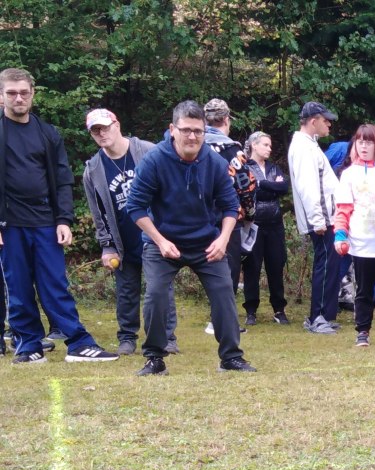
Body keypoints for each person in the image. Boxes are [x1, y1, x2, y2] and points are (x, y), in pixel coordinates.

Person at [126, 99, 255, 375]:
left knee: (224, 294)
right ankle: (154, 359)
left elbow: (231, 206)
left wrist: (222, 240)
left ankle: (231, 358)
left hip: (206, 242)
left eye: (198, 130)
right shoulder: (154, 160)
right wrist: (160, 240)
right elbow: (135, 207)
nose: (192, 136)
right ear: (173, 129)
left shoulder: (215, 163)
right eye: (186, 130)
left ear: (205, 131)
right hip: (162, 242)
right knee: (156, 294)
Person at [0, 67, 117, 364]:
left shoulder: (47, 134)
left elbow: (63, 179)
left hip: (45, 222)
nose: (18, 98)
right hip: (10, 223)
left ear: (32, 95)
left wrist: (63, 219)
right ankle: (29, 345)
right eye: (12, 93)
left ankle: (78, 342)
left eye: (24, 93)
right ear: (1, 96)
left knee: (54, 284)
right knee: (18, 287)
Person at [82, 108, 180, 356]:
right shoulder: (93, 169)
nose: (101, 133)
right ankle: (127, 338)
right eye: (95, 130)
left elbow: (169, 189)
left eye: (105, 127)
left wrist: (169, 230)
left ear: (117, 124)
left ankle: (166, 337)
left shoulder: (147, 151)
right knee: (126, 293)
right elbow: (98, 212)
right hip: (122, 240)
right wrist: (107, 244)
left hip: (154, 236)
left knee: (160, 289)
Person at [333, 123, 375, 347]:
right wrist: (340, 234)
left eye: (369, 142)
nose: (364, 146)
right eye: (360, 141)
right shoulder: (348, 174)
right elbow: (343, 209)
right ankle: (362, 332)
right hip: (361, 242)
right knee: (364, 290)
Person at [288, 101, 342, 334]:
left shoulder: (310, 145)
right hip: (322, 219)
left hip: (327, 216)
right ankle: (317, 316)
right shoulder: (303, 147)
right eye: (325, 119)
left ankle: (325, 315)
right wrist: (318, 220)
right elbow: (308, 187)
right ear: (313, 121)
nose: (329, 123)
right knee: (325, 264)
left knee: (331, 265)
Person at [241, 131, 290, 325]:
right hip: (254, 224)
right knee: (252, 267)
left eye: (270, 145)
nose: (269, 149)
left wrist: (262, 184)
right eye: (265, 145)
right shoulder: (245, 167)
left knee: (276, 266)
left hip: (275, 224)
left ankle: (279, 309)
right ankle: (251, 310)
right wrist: (269, 186)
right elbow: (249, 190)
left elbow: (284, 187)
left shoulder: (273, 167)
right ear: (254, 145)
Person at [202, 99, 247, 299]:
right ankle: (222, 319)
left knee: (205, 268)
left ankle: (215, 315)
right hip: (226, 217)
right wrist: (250, 215)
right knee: (229, 267)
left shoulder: (193, 145)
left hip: (197, 217)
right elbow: (246, 187)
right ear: (227, 120)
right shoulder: (233, 150)